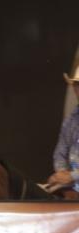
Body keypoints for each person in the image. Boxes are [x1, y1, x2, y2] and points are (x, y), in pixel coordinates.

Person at [47, 66, 79, 199]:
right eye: (76, 85)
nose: (77, 89)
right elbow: (60, 152)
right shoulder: (71, 120)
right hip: (72, 186)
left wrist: (70, 177)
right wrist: (61, 174)